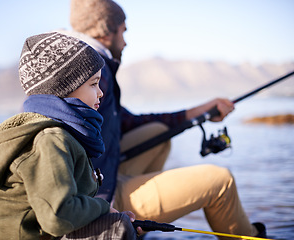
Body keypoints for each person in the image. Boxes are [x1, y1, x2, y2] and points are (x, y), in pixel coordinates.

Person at [57, 0, 267, 239]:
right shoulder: (94, 70)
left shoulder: (74, 67)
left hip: (98, 180)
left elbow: (126, 122)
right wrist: (104, 213)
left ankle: (136, 232)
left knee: (157, 133)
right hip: (102, 199)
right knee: (220, 182)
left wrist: (198, 111)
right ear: (105, 30)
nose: (126, 42)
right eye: (123, 31)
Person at [0, 32, 138, 239]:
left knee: (119, 225)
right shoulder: (50, 139)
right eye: (93, 84)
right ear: (65, 88)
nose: (100, 93)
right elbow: (57, 215)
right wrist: (104, 209)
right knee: (119, 230)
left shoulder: (61, 132)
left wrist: (109, 215)